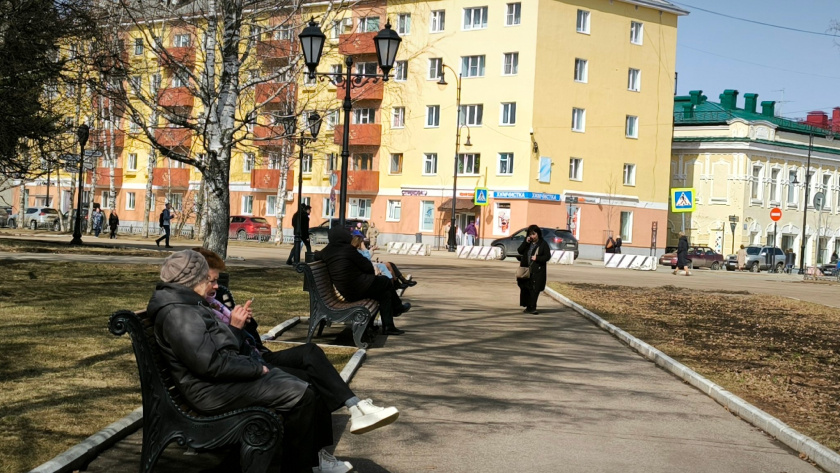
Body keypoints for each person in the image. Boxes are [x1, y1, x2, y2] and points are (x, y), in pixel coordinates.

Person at [149, 250, 398, 473]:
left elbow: (215, 355)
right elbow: (210, 364)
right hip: (208, 392)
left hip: (216, 380)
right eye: (207, 278)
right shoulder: (179, 312)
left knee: (305, 386)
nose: (211, 283)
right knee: (302, 393)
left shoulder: (187, 305)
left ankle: (311, 459)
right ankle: (303, 465)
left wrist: (251, 357)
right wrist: (256, 367)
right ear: (190, 279)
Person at [315, 226, 410, 335]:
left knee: (385, 293)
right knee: (385, 281)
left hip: (347, 291)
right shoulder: (348, 249)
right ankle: (397, 308)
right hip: (358, 288)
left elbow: (316, 255)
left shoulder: (327, 251)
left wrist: (315, 254)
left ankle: (389, 326)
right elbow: (367, 266)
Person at [350, 236, 416, 291]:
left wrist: (370, 251)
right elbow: (366, 259)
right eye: (362, 243)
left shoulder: (359, 250)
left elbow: (366, 258)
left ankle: (398, 282)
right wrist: (368, 249)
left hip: (369, 265)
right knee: (387, 265)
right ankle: (396, 284)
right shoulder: (357, 251)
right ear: (359, 243)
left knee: (390, 264)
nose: (364, 244)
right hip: (367, 267)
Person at [517, 225, 551, 315]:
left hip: (537, 271)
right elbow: (520, 251)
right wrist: (525, 242)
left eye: (533, 234)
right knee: (526, 288)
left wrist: (537, 258)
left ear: (538, 234)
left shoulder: (543, 244)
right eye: (530, 234)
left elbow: (547, 256)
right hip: (526, 270)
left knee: (534, 289)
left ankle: (533, 307)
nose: (532, 236)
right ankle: (528, 307)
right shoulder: (528, 243)